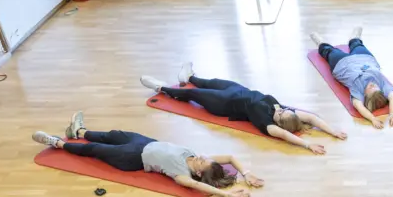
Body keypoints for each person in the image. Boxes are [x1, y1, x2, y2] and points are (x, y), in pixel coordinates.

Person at [32, 111, 260, 197]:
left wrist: (228, 196)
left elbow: (203, 188)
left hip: (131, 159)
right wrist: (246, 173)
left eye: (203, 160)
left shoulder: (181, 174)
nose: (202, 156)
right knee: (113, 134)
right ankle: (79, 131)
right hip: (144, 142)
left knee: (95, 150)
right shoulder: (194, 157)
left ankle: (58, 143)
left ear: (199, 171)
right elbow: (229, 157)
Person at [140, 63, 347, 154]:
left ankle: (161, 88)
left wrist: (308, 145)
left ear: (278, 122)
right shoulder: (283, 111)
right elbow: (312, 119)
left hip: (223, 104)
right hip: (237, 90)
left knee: (195, 95)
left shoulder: (269, 124)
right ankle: (189, 78)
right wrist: (333, 131)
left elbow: (286, 136)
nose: (284, 109)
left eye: (283, 113)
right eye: (286, 110)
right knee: (212, 81)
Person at [310, 27, 393, 129]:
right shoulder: (383, 86)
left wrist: (372, 119)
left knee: (329, 51)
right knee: (356, 44)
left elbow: (360, 107)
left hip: (342, 64)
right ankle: (354, 38)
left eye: (370, 89)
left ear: (364, 95)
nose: (372, 85)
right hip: (365, 58)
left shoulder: (358, 91)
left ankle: (321, 42)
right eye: (375, 87)